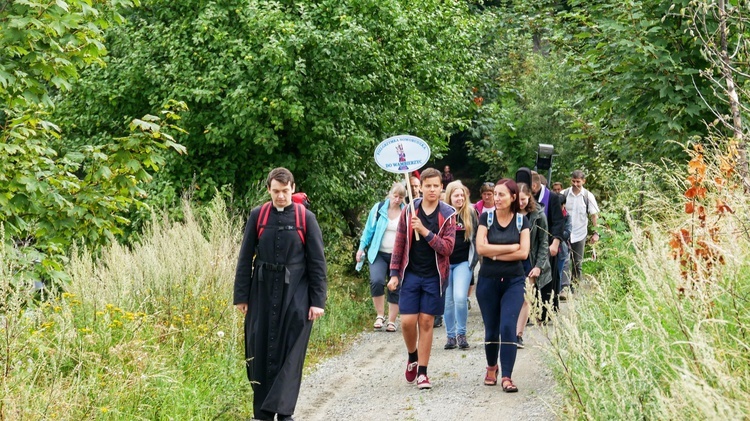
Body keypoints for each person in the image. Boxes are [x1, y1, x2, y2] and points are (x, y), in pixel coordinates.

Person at [234, 168, 327, 421]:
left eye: (285, 191)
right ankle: (262, 413)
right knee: (259, 350)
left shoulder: (306, 218)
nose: (281, 196)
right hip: (261, 292)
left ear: (293, 188)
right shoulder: (258, 215)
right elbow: (245, 258)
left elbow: (317, 262)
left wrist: (318, 301)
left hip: (296, 293)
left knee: (290, 352)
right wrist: (241, 296)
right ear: (268, 190)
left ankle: (285, 413)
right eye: (276, 191)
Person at [387, 168, 456, 390]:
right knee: (407, 322)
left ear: (441, 187)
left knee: (426, 322)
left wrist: (425, 232)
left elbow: (447, 248)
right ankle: (412, 356)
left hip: (434, 276)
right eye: (428, 186)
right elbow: (399, 242)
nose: (432, 190)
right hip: (411, 274)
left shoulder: (448, 214)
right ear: (421, 187)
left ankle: (423, 373)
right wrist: (394, 273)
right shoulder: (409, 210)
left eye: (436, 186)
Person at [475, 178, 530, 393]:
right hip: (488, 280)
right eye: (495, 194)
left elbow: (523, 253)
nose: (496, 198)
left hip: (514, 282)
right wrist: (510, 248)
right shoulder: (485, 218)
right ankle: (491, 367)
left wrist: (494, 252)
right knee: (491, 330)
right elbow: (480, 248)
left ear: (513, 197)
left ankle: (507, 375)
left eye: (501, 195)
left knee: (508, 327)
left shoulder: (520, 222)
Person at [356, 182, 406, 332]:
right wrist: (361, 248)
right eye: (395, 196)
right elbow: (368, 230)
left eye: (401, 197)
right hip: (378, 253)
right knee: (376, 281)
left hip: (398, 255)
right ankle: (380, 315)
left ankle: (392, 320)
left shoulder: (407, 211)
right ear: (390, 194)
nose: (397, 199)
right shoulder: (378, 209)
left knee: (395, 286)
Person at [443, 181, 479, 350]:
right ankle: (450, 336)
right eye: (456, 195)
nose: (460, 198)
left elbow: (478, 237)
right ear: (449, 197)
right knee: (448, 301)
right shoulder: (442, 213)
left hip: (463, 262)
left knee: (459, 297)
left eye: (462, 195)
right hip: (445, 262)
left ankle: (461, 333)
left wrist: (476, 260)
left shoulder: (470, 213)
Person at [515, 183, 550, 348]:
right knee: (512, 297)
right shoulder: (508, 213)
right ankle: (509, 330)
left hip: (530, 261)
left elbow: (544, 243)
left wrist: (539, 266)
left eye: (524, 199)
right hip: (512, 259)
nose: (521, 202)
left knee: (526, 298)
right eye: (518, 199)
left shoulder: (538, 215)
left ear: (529, 197)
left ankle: (518, 334)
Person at [530, 170, 564, 313]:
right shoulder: (525, 196)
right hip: (531, 244)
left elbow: (558, 222)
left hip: (548, 244)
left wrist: (555, 242)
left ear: (535, 185)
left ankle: (548, 309)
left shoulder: (552, 197)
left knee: (548, 277)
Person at [561, 170, 600, 283]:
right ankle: (564, 287)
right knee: (565, 260)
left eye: (578, 182)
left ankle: (576, 286)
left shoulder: (588, 196)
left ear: (583, 181)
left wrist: (596, 232)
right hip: (565, 233)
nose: (575, 184)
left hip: (580, 233)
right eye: (573, 181)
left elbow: (594, 215)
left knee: (577, 262)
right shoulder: (564, 194)